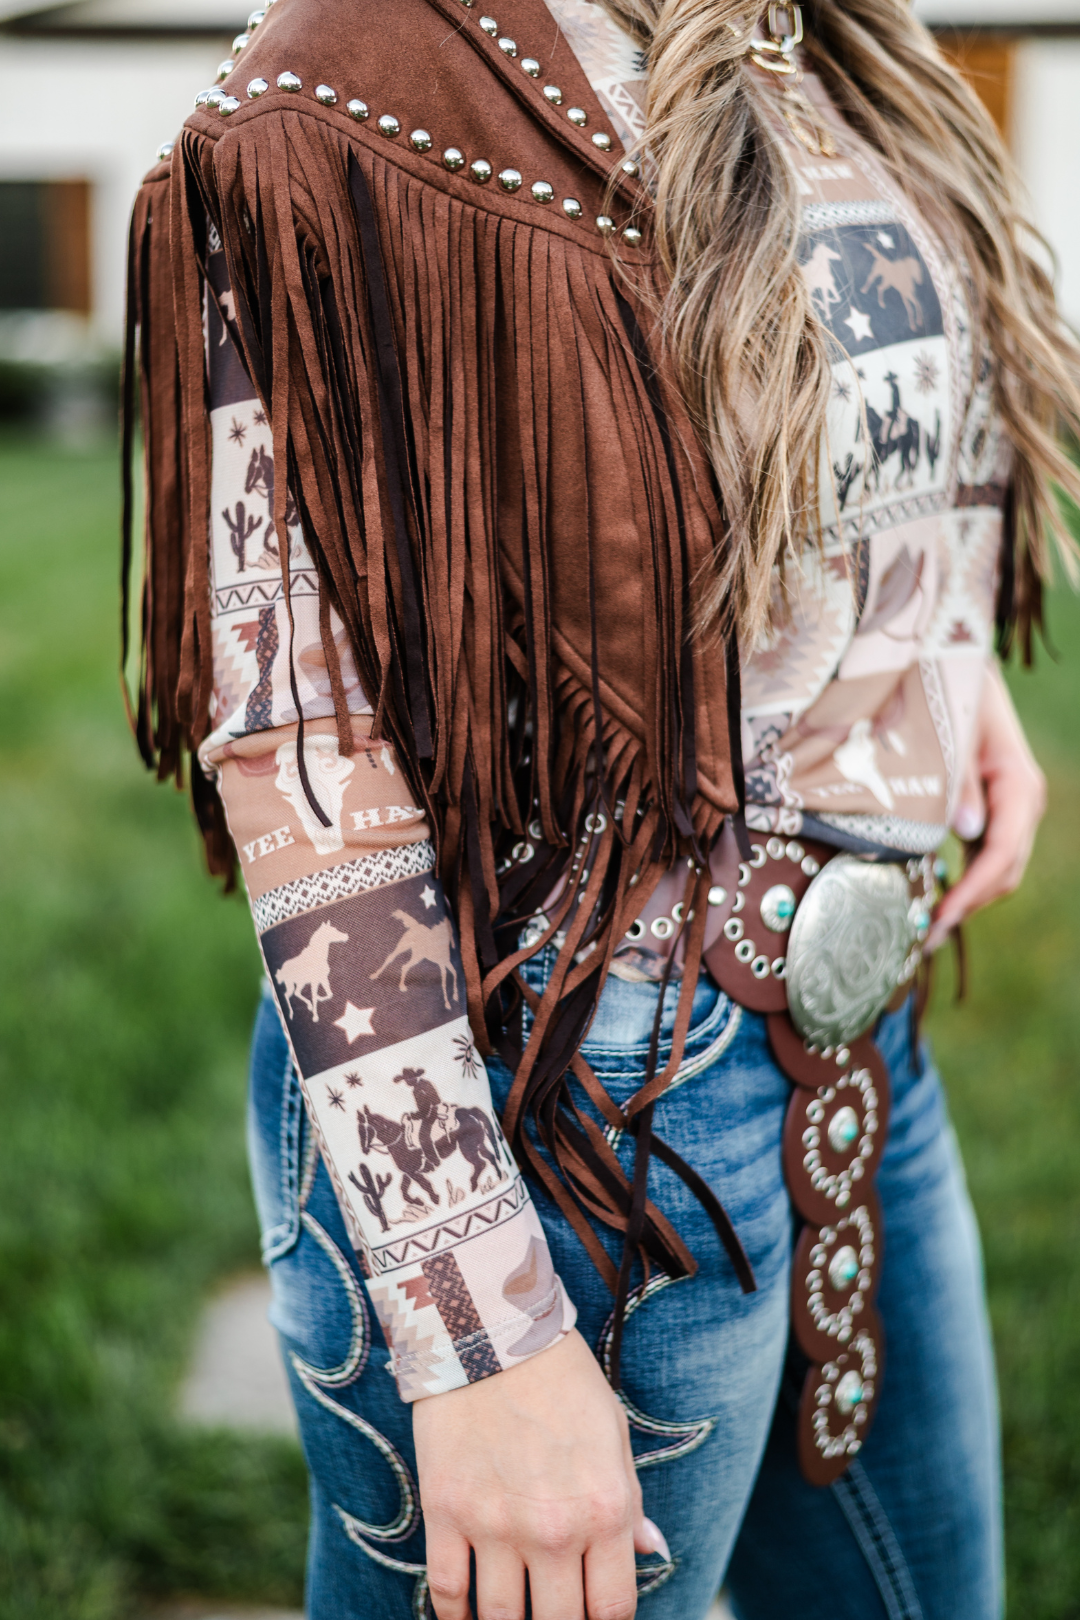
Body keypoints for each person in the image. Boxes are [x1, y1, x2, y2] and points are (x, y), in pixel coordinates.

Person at [124, 0, 1076, 1614]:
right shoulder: (359, 70)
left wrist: (925, 664)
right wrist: (480, 1326)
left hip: (853, 1046)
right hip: (575, 1104)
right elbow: (302, 741)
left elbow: (845, 435)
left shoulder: (829, 33)